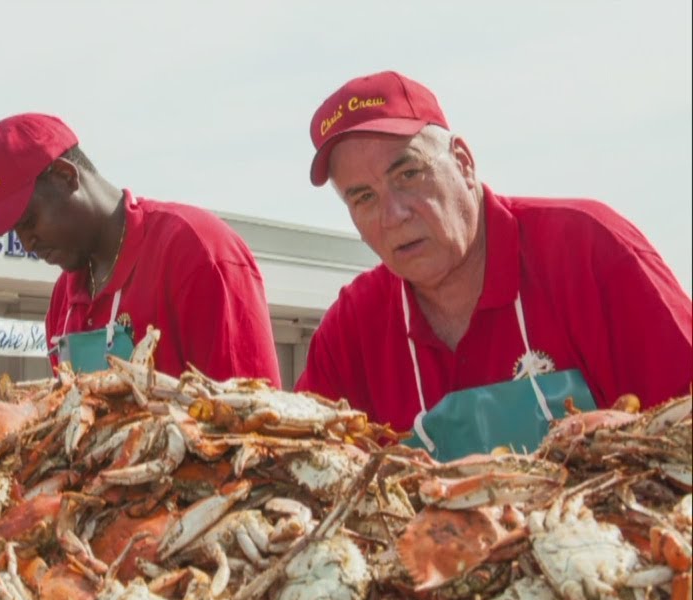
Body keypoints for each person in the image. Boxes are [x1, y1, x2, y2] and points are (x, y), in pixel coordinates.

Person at [297, 70, 692, 456]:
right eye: (364, 198)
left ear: (463, 162)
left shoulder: (589, 250)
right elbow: (300, 461)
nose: (393, 214)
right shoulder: (351, 331)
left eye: (408, 173)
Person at [0, 113, 281, 385]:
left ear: (65, 176)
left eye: (28, 221)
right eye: (15, 232)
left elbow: (254, 428)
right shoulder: (63, 302)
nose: (27, 243)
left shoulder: (198, 251)